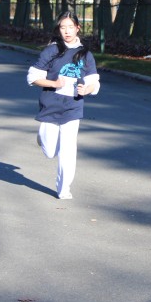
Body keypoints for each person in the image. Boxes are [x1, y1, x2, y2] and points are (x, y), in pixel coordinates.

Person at [26, 11, 100, 199]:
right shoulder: (51, 51)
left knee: (68, 150)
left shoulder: (85, 54)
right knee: (50, 151)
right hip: (51, 105)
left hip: (73, 107)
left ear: (78, 28)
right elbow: (33, 77)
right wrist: (54, 83)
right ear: (58, 30)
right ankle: (42, 138)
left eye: (70, 27)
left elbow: (94, 82)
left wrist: (87, 89)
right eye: (63, 27)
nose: (67, 31)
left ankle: (64, 189)